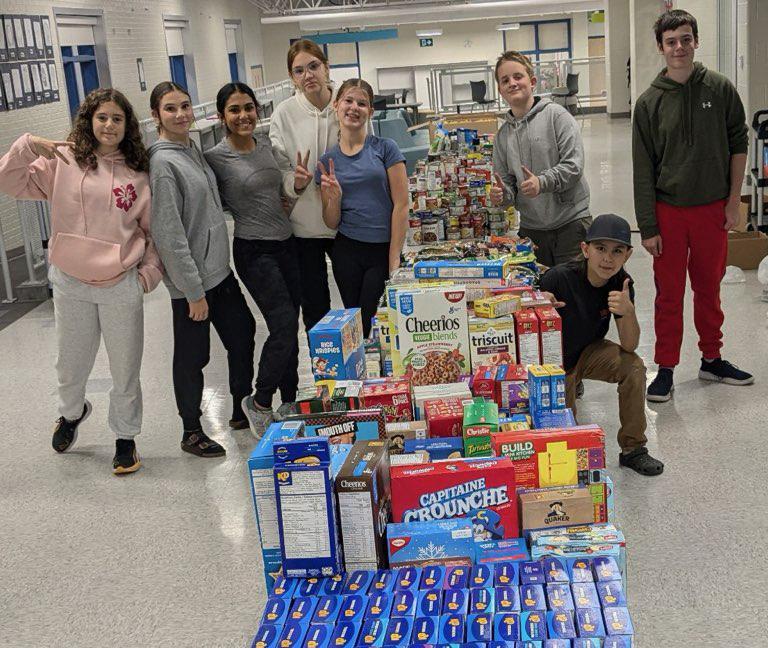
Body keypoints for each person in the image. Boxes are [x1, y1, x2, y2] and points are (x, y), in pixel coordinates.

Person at [0, 88, 163, 475]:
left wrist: (147, 275)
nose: (109, 125)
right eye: (102, 117)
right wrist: (26, 145)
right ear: (89, 120)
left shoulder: (138, 173)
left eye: (117, 119)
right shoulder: (63, 160)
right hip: (71, 281)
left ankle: (125, 438)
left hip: (120, 282)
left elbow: (151, 231)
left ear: (128, 126)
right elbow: (8, 181)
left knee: (125, 368)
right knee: (71, 364)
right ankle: (71, 414)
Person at [633, 9, 753, 403]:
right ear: (661, 48)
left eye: (686, 39)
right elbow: (643, 168)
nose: (679, 47)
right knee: (669, 294)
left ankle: (712, 358)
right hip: (669, 213)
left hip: (712, 210)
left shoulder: (719, 89)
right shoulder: (649, 103)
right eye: (671, 42)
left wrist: (733, 202)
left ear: (696, 41)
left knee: (709, 289)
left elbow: (739, 143)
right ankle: (665, 367)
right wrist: (648, 226)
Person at [148, 81, 256, 455]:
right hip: (191, 283)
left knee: (243, 335)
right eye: (170, 109)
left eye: (185, 106)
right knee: (193, 358)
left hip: (219, 272)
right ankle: (191, 431)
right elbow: (169, 233)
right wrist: (192, 291)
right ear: (156, 116)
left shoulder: (191, 150)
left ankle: (242, 409)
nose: (180, 115)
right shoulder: (162, 164)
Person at [205, 82, 306, 434]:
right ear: (222, 117)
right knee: (282, 323)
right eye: (234, 110)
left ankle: (289, 398)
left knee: (291, 322)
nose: (243, 115)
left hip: (286, 243)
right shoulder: (216, 158)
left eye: (248, 107)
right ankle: (260, 400)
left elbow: (281, 190)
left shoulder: (267, 148)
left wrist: (297, 188)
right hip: (253, 248)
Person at [539, 214, 664, 476]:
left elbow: (629, 345)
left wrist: (627, 311)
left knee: (634, 368)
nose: (608, 258)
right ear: (585, 249)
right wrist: (538, 305)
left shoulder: (622, 283)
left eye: (617, 251)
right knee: (564, 440)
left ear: (627, 255)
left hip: (589, 351)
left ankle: (634, 449)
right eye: (600, 249)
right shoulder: (558, 278)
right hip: (555, 364)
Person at [316, 78, 409, 338]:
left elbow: (401, 205)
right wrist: (333, 198)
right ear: (336, 106)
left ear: (371, 111)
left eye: (362, 103)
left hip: (381, 251)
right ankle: (362, 378)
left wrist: (394, 259)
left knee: (373, 323)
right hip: (347, 252)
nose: (354, 107)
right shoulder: (327, 162)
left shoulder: (385, 149)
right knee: (355, 327)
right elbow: (331, 222)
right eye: (348, 100)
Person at [490, 50, 591, 267]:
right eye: (505, 80)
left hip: (571, 224)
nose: (512, 83)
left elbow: (574, 165)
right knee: (541, 294)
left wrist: (541, 182)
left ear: (532, 81)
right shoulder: (502, 136)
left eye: (518, 77)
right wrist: (502, 195)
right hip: (532, 231)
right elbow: (507, 185)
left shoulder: (557, 116)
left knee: (574, 293)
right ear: (500, 90)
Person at [269, 39, 338, 336]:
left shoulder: (343, 105)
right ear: (291, 77)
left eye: (313, 66)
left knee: (358, 301)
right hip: (303, 228)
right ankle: (326, 375)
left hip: (344, 223)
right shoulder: (283, 114)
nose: (308, 75)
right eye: (299, 70)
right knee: (315, 308)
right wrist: (294, 183)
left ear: (326, 68)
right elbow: (279, 168)